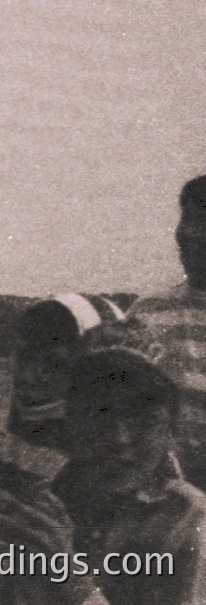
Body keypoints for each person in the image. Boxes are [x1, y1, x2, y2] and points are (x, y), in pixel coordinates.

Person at [0, 295, 126, 605]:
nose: (30, 376)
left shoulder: (100, 465)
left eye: (55, 365)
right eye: (23, 357)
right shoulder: (22, 433)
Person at [53, 344, 206, 605]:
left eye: (145, 423)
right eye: (100, 418)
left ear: (171, 433)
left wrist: (71, 580)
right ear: (70, 424)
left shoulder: (190, 518)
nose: (119, 438)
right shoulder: (41, 500)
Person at [128, 174, 206, 490]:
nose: (186, 234)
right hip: (156, 500)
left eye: (202, 222)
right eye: (185, 218)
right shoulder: (147, 313)